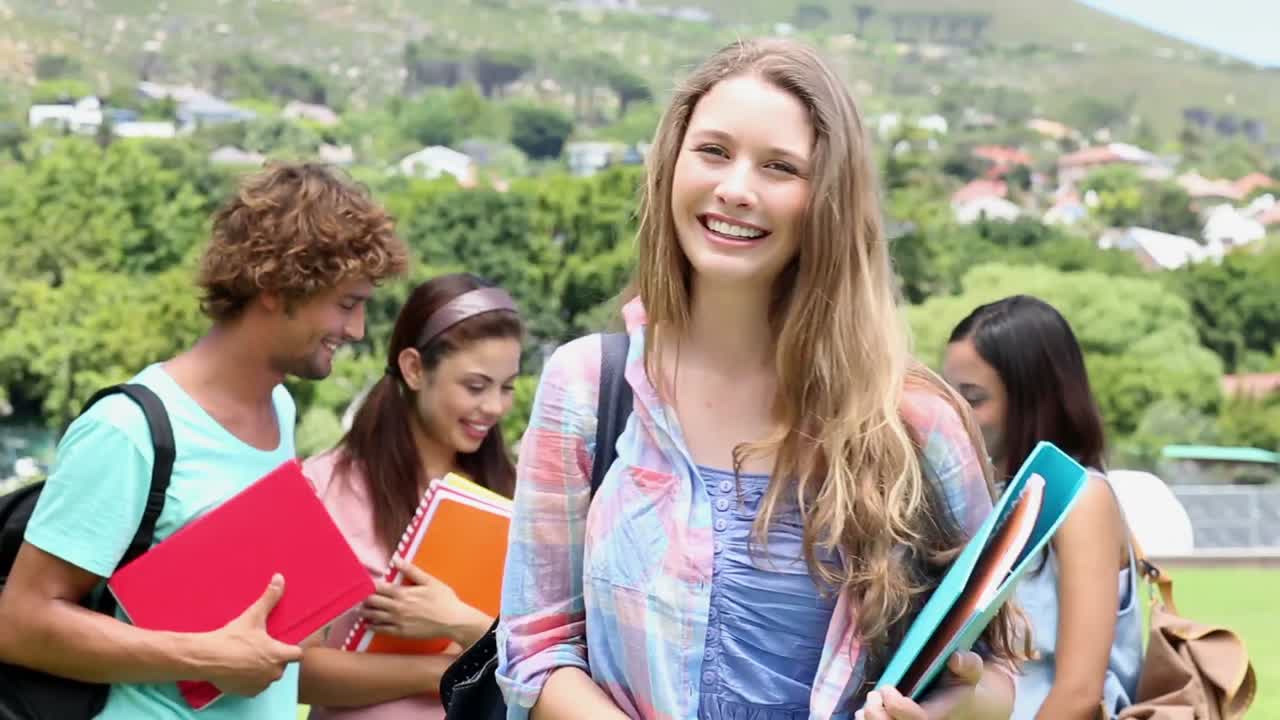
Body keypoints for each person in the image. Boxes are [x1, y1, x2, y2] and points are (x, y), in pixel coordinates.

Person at [496, 37, 1024, 720]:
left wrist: (950, 711)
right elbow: (536, 646)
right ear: (670, 166)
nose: (736, 189)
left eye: (780, 167)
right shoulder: (587, 387)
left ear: (828, 201)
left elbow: (996, 668)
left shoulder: (915, 421)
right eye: (713, 151)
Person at [0, 162, 409, 718]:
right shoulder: (129, 430)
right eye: (345, 303)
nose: (357, 330)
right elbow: (19, 623)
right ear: (274, 287)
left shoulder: (280, 409)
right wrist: (204, 656)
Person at [300, 273, 524, 720]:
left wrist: (459, 625)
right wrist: (442, 670)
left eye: (508, 387)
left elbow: (547, 657)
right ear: (414, 368)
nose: (496, 407)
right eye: (476, 387)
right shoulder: (324, 486)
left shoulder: (515, 498)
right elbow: (296, 670)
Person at [943, 295, 1143, 719]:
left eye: (973, 399)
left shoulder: (1082, 499)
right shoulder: (978, 496)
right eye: (949, 396)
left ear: (1034, 399)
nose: (954, 415)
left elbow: (1079, 694)